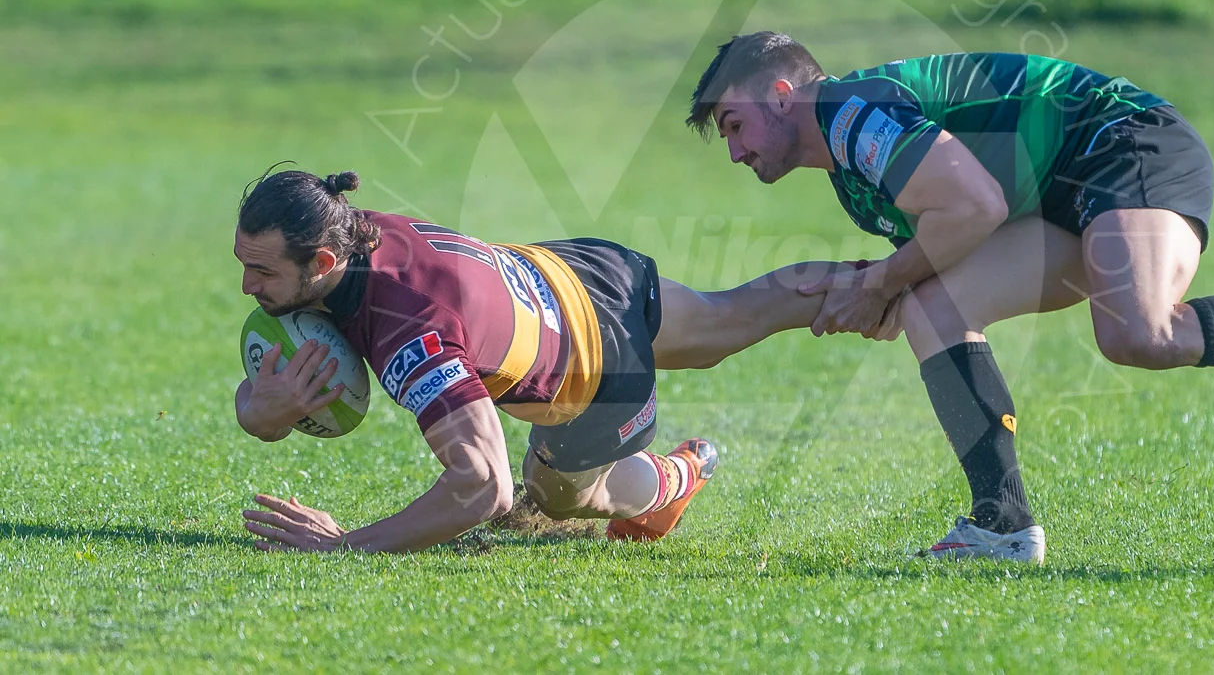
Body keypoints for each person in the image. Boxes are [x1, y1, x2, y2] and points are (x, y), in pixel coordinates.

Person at [686, 32, 1214, 564]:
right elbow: (946, 241)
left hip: (1124, 143)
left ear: (783, 95)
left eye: (734, 124)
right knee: (933, 311)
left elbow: (972, 207)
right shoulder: (853, 174)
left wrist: (882, 282)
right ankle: (1002, 526)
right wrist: (880, 291)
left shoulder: (850, 114)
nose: (735, 150)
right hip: (1055, 198)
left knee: (1139, 334)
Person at [233, 167, 833, 553]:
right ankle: (880, 278)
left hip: (595, 371)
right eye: (243, 261)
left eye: (262, 270)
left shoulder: (409, 332)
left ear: (323, 264)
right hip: (575, 272)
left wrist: (344, 545)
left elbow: (483, 488)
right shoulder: (350, 231)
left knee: (557, 499)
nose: (245, 286)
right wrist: (264, 411)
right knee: (733, 317)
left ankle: (676, 478)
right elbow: (254, 397)